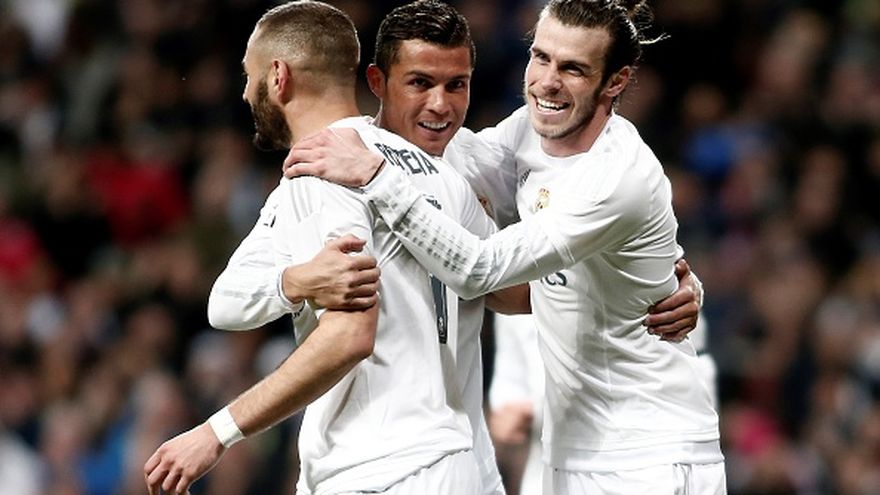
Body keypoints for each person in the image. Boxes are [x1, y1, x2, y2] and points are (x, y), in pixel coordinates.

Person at [283, 0, 726, 492]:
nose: (547, 82)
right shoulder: (528, 134)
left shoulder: (616, 177)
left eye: (573, 69)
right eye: (541, 58)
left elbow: (478, 270)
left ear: (615, 82)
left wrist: (375, 174)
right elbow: (441, 150)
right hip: (574, 448)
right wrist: (360, 131)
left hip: (652, 454)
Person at [143, 2, 500, 493]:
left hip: (383, 467)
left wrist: (215, 433)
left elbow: (349, 335)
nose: (245, 92)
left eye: (248, 76)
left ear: (278, 76)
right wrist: (295, 281)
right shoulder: (435, 169)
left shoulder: (320, 172)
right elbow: (224, 303)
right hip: (451, 461)